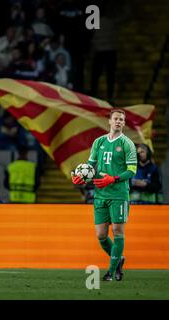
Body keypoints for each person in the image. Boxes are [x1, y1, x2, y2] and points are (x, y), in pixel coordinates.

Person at [72, 109, 137, 281]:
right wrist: (80, 177)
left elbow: (132, 170)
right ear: (109, 121)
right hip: (100, 194)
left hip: (118, 194)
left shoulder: (127, 144)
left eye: (121, 120)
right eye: (115, 118)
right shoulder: (98, 142)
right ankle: (119, 259)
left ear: (123, 123)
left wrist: (113, 179)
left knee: (117, 230)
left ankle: (111, 271)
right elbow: (90, 166)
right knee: (101, 235)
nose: (118, 122)